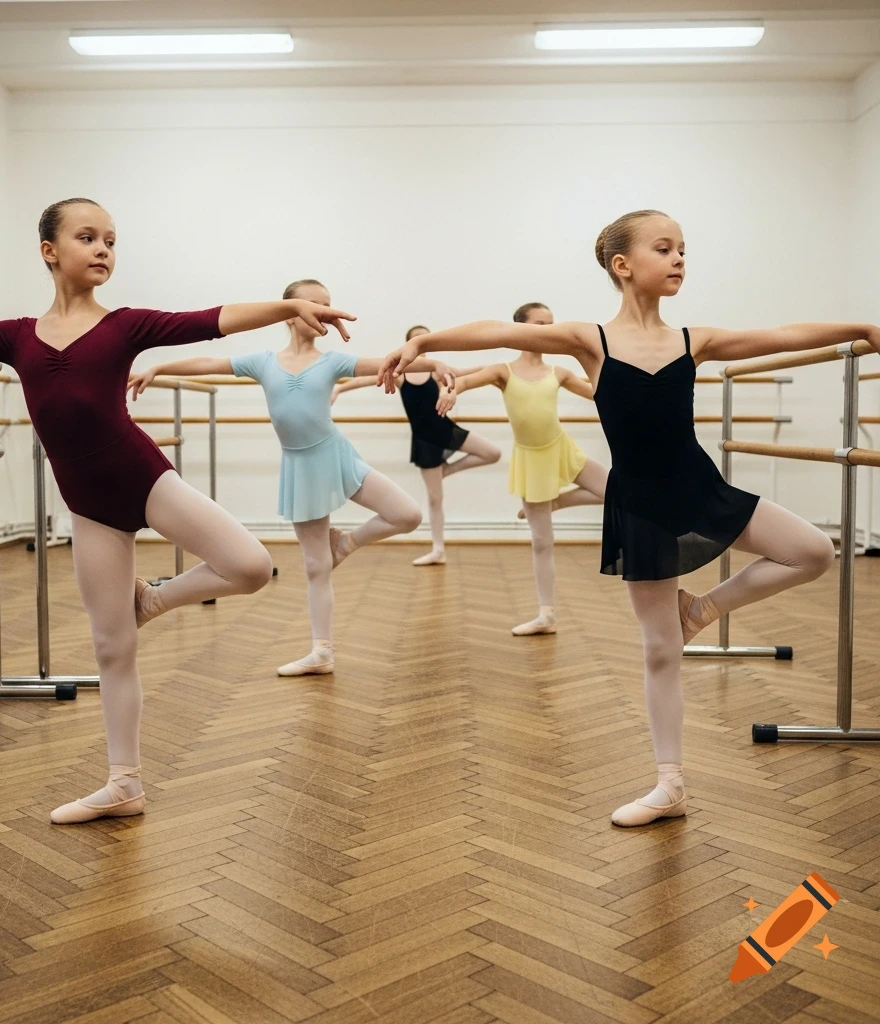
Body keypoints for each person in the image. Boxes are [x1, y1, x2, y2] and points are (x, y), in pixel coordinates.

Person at [0, 197, 355, 826]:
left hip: (141, 476)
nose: (102, 250)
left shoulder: (125, 326)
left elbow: (211, 319)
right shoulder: (13, 336)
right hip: (87, 504)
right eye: (88, 238)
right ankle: (125, 784)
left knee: (251, 565)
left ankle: (156, 598)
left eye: (111, 241)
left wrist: (287, 307)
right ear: (49, 251)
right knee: (110, 646)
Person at [377, 208, 879, 827]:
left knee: (813, 551)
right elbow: (497, 331)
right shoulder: (590, 340)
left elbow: (780, 334)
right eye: (664, 249)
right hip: (638, 503)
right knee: (660, 650)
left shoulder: (696, 340)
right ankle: (670, 784)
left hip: (699, 486)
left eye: (683, 250)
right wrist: (425, 342)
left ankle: (705, 608)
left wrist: (860, 325)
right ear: (623, 266)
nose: (679, 260)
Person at [130, 279, 454, 677]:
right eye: (317, 304)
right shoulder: (264, 361)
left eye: (330, 304)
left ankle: (345, 543)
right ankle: (322, 651)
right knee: (316, 567)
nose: (327, 311)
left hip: (336, 455)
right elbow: (210, 364)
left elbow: (385, 363)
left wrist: (434, 362)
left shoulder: (333, 361)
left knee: (407, 514)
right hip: (300, 468)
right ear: (290, 311)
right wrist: (160, 366)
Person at [437, 302, 607, 634]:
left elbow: (598, 394)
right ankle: (546, 615)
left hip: (561, 449)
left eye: (551, 324)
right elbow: (468, 381)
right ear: (521, 329)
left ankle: (557, 501)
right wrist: (451, 390)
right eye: (541, 325)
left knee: (619, 491)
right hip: (530, 459)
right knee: (543, 541)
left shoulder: (559, 372)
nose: (549, 331)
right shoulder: (505, 371)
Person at [332, 325, 499, 566]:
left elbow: (466, 372)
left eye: (427, 341)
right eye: (417, 341)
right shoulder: (401, 375)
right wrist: (340, 387)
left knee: (492, 453)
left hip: (447, 430)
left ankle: (446, 471)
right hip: (425, 441)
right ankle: (438, 550)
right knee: (435, 499)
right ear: (408, 346)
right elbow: (370, 378)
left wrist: (495, 372)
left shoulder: (437, 370)